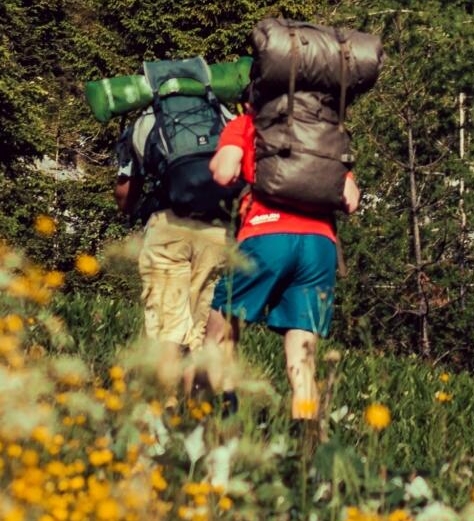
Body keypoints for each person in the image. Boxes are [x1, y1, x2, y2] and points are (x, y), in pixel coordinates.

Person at [202, 103, 360, 429]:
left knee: (218, 331)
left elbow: (223, 172)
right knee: (302, 358)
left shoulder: (249, 123)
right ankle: (306, 442)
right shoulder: (322, 132)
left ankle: (222, 419)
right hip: (319, 244)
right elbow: (351, 200)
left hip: (266, 233)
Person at [114, 100, 234, 388]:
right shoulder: (221, 114)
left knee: (167, 328)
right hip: (215, 230)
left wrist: (132, 209)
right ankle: (194, 412)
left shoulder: (145, 121)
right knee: (201, 329)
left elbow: (124, 192)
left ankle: (166, 410)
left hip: (167, 227)